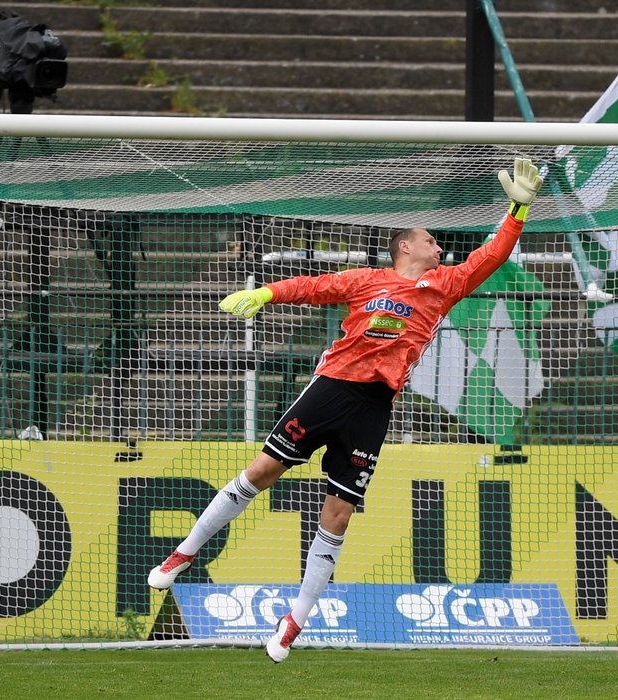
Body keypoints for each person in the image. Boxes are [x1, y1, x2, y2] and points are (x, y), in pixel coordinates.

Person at [147, 157, 544, 663]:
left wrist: (517, 211)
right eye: (430, 241)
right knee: (261, 471)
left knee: (338, 515)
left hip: (373, 409)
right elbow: (314, 287)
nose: (439, 248)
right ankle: (183, 553)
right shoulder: (366, 280)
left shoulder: (443, 287)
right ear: (405, 246)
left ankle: (295, 621)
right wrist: (266, 292)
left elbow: (490, 258)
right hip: (331, 389)